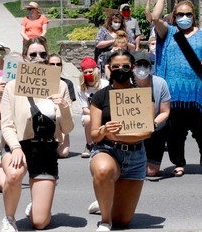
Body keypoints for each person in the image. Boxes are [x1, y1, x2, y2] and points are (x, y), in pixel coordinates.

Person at [0, 36, 74, 231]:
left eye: (42, 54)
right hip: (20, 146)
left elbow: (67, 128)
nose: (38, 58)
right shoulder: (11, 87)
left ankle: (38, 204)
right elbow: (6, 124)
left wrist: (64, 107)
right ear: (25, 57)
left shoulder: (61, 86)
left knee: (40, 223)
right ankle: (9, 218)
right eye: (33, 54)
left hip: (46, 149)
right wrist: (15, 147)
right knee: (15, 174)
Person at [152, 0, 202, 178]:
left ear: (194, 16)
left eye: (188, 14)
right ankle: (179, 163)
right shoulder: (169, 34)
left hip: (199, 92)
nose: (184, 18)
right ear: (175, 17)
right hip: (174, 93)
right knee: (176, 133)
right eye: (180, 15)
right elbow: (156, 17)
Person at [89, 49, 152, 231]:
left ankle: (105, 199)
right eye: (116, 66)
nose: (121, 69)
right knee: (103, 170)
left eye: (125, 66)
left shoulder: (142, 94)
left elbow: (147, 132)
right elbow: (94, 134)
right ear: (109, 68)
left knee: (123, 221)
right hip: (107, 150)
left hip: (135, 157)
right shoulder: (100, 96)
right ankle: (104, 220)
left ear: (132, 68)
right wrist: (104, 130)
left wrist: (117, 135)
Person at [78, 56, 109, 158]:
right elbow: (84, 108)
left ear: (95, 71)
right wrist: (95, 115)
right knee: (88, 120)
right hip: (90, 113)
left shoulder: (105, 84)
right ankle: (89, 144)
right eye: (85, 72)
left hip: (104, 111)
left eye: (90, 71)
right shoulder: (82, 88)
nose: (88, 74)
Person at [48, 53, 76, 158]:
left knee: (63, 153)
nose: (55, 67)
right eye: (52, 64)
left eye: (58, 64)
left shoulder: (67, 84)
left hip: (60, 121)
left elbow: (69, 109)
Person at [94, 11, 135, 77]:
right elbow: (98, 44)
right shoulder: (103, 30)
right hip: (105, 62)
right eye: (115, 22)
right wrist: (114, 40)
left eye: (119, 22)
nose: (117, 24)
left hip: (122, 62)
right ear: (110, 21)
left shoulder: (127, 31)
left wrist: (124, 42)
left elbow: (133, 47)